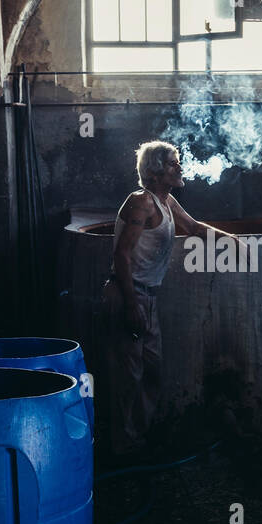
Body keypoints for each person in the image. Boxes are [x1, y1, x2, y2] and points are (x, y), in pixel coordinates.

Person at [101, 140, 239, 457]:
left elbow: (193, 226)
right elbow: (121, 256)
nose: (180, 167)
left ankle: (141, 437)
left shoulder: (165, 201)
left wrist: (230, 240)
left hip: (145, 297)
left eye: (178, 162)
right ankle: (124, 448)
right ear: (154, 171)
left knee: (152, 371)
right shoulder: (142, 202)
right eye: (173, 163)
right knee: (129, 375)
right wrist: (132, 304)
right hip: (128, 295)